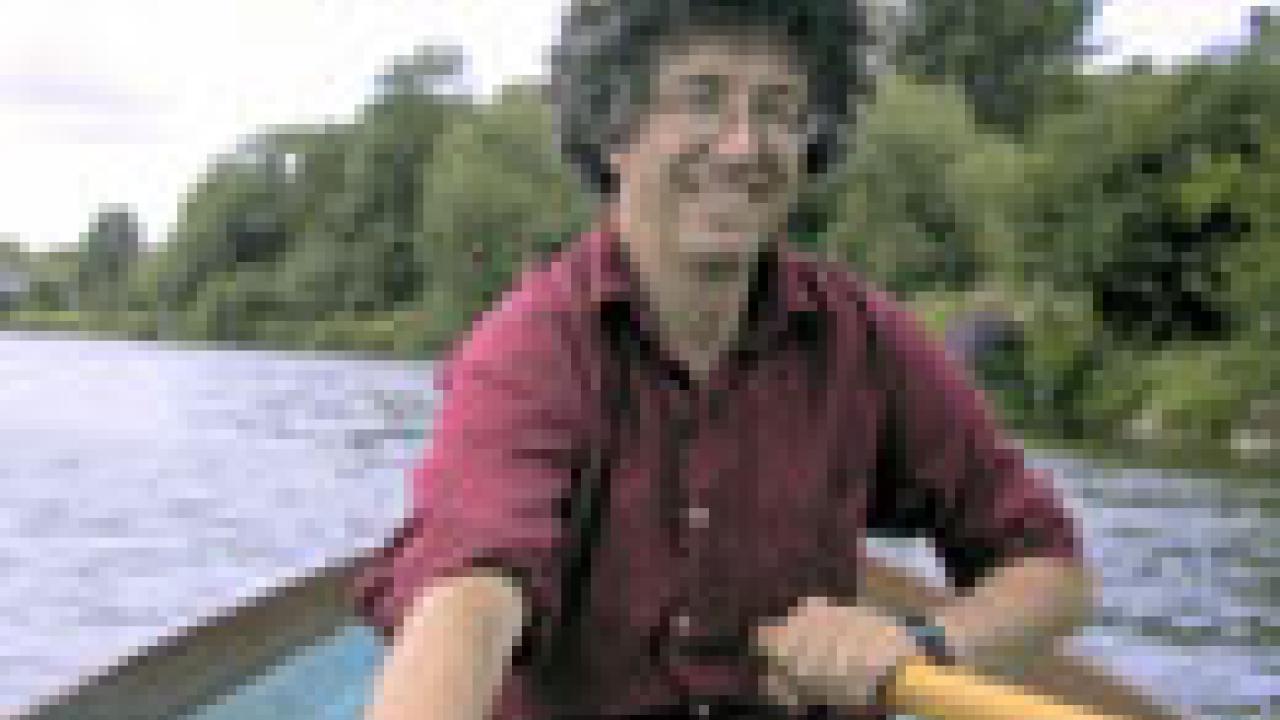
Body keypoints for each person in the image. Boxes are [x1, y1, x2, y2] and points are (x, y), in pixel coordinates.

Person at [354, 2, 1094, 720]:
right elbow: (469, 594)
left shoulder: (866, 341)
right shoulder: (531, 349)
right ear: (617, 132)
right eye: (702, 99)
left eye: (777, 110)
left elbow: (1053, 570)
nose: (744, 146)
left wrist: (924, 640)